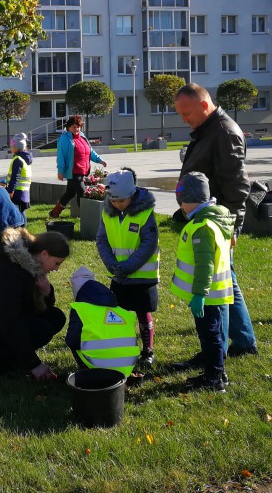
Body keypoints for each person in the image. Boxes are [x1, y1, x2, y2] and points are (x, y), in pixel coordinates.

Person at [173, 83, 258, 360]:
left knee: (219, 286)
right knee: (226, 280)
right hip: (210, 218)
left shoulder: (222, 132)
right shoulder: (209, 129)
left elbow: (237, 186)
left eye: (186, 113)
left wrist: (231, 226)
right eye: (180, 114)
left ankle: (217, 350)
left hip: (219, 222)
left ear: (204, 105)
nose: (184, 119)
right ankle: (243, 342)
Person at [0, 229, 69, 379]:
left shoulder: (31, 267)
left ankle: (9, 357)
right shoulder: (8, 271)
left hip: (5, 317)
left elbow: (37, 308)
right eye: (57, 263)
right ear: (44, 254)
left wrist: (47, 293)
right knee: (41, 329)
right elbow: (10, 321)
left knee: (56, 317)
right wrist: (34, 364)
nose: (56, 269)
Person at [172, 172, 235, 392]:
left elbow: (205, 265)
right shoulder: (213, 218)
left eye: (182, 202)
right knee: (212, 334)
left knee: (211, 336)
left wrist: (199, 294)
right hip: (212, 293)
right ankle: (217, 372)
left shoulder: (204, 227)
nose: (180, 207)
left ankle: (214, 379)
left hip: (207, 295)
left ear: (193, 200)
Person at [95, 168, 160, 367]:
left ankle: (147, 350)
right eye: (113, 201)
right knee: (119, 314)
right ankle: (122, 345)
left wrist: (130, 266)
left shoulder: (145, 213)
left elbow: (149, 243)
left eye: (121, 201)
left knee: (142, 312)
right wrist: (111, 263)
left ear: (132, 195)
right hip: (119, 276)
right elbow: (102, 240)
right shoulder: (108, 213)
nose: (117, 205)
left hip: (141, 276)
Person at [65, 267, 141, 378]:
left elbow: (72, 341)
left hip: (98, 368)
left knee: (76, 341)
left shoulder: (81, 309)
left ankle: (86, 371)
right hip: (128, 366)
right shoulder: (121, 311)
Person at [51, 115, 107, 218]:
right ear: (68, 128)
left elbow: (90, 151)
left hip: (82, 171)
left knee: (70, 193)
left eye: (78, 126)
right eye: (73, 127)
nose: (76, 129)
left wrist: (100, 160)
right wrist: (60, 171)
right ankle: (84, 215)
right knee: (82, 192)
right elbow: (61, 156)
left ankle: (54, 213)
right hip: (73, 171)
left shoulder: (82, 137)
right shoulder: (64, 139)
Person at [4, 133, 32, 213]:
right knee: (21, 212)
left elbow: (15, 176)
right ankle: (23, 226)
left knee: (17, 214)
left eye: (12, 147)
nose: (11, 149)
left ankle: (21, 226)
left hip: (17, 192)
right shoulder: (25, 158)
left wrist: (10, 191)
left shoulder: (18, 159)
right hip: (24, 191)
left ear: (17, 148)